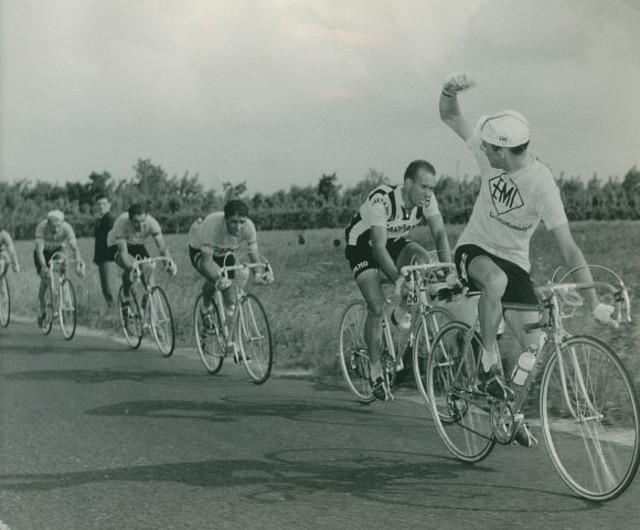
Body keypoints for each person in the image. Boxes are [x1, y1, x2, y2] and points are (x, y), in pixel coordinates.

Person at [438, 71, 618, 446]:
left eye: (490, 149)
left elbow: (569, 248)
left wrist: (594, 302)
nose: (483, 151)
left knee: (534, 348)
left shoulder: (541, 184)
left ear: (505, 151)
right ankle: (487, 359)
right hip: (474, 249)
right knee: (495, 282)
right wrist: (448, 91)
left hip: (515, 261)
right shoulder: (490, 154)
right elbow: (450, 116)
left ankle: (508, 409)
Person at [344, 160, 453, 401]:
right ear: (408, 183)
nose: (428, 193)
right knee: (377, 306)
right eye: (424, 187)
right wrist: (397, 278)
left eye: (432, 188)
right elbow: (378, 247)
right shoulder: (382, 199)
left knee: (422, 262)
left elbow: (439, 234)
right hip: (363, 244)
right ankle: (374, 370)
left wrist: (449, 272)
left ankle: (400, 315)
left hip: (394, 241)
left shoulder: (426, 200)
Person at [189, 200, 272, 320]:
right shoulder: (214, 227)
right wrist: (219, 279)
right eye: (233, 222)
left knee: (231, 298)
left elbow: (253, 256)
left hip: (224, 251)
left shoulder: (249, 227)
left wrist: (259, 274)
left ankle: (228, 327)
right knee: (217, 281)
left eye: (242, 222)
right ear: (225, 219)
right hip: (200, 249)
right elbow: (206, 263)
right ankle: (206, 307)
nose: (238, 227)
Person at [107, 203, 176, 308]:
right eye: (136, 222)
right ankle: (126, 296)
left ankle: (149, 296)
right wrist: (132, 268)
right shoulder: (122, 223)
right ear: (130, 220)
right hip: (116, 245)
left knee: (148, 268)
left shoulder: (153, 223)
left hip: (136, 243)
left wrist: (169, 263)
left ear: (146, 218)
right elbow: (123, 252)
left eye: (143, 221)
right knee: (132, 266)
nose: (140, 226)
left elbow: (162, 248)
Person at [34, 210, 84, 326]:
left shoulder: (67, 228)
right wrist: (44, 267)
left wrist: (78, 264)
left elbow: (74, 248)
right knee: (46, 279)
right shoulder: (41, 227)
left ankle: (64, 286)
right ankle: (42, 308)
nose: (56, 230)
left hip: (58, 249)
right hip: (43, 253)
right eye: (53, 227)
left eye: (59, 227)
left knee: (64, 260)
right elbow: (39, 252)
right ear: (48, 224)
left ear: (63, 223)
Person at [93, 194, 118, 307]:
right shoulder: (101, 219)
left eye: (104, 204)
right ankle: (112, 310)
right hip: (102, 257)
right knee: (105, 286)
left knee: (109, 287)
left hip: (108, 257)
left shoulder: (110, 219)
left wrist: (112, 255)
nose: (101, 206)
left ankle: (113, 311)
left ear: (109, 205)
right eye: (99, 204)